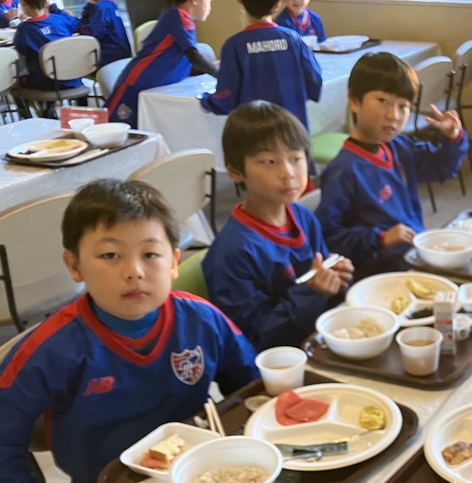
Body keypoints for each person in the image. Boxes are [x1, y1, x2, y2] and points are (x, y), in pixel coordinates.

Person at [0, 180, 260, 483]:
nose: (134, 271)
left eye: (150, 254)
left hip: (201, 473)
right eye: (110, 255)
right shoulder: (50, 351)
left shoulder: (202, 319)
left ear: (174, 261)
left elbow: (250, 387)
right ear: (74, 265)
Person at [203, 101, 354, 351]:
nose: (288, 173)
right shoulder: (231, 253)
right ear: (235, 171)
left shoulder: (303, 217)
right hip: (279, 362)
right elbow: (256, 339)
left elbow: (321, 277)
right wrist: (313, 291)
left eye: (296, 158)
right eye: (270, 161)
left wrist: (335, 279)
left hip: (318, 341)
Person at [316, 51, 468, 280]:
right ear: (354, 100)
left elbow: (442, 167)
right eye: (383, 101)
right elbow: (327, 237)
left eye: (403, 106)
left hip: (413, 258)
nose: (393, 116)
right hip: (379, 274)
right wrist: (380, 238)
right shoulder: (344, 169)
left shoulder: (399, 147)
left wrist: (453, 138)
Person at [199, 0, 322, 135]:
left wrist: (207, 102)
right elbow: (315, 80)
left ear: (241, 2)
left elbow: (227, 94)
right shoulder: (293, 39)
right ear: (277, 5)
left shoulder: (234, 45)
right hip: (292, 129)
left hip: (255, 132)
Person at [106, 0, 217, 128]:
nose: (209, 5)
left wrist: (211, 68)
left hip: (153, 86)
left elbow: (180, 60)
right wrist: (219, 74)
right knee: (113, 126)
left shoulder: (183, 18)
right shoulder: (178, 15)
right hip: (137, 83)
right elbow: (193, 56)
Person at [13, 0, 80, 94]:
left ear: (24, 4)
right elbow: (75, 22)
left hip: (45, 82)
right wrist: (56, 9)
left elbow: (21, 50)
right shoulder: (60, 19)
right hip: (73, 77)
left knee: (14, 81)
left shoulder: (24, 29)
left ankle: (37, 103)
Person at [79, 0, 130, 66]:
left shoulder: (100, 7)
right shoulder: (111, 4)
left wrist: (76, 24)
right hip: (122, 51)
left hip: (109, 54)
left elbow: (91, 34)